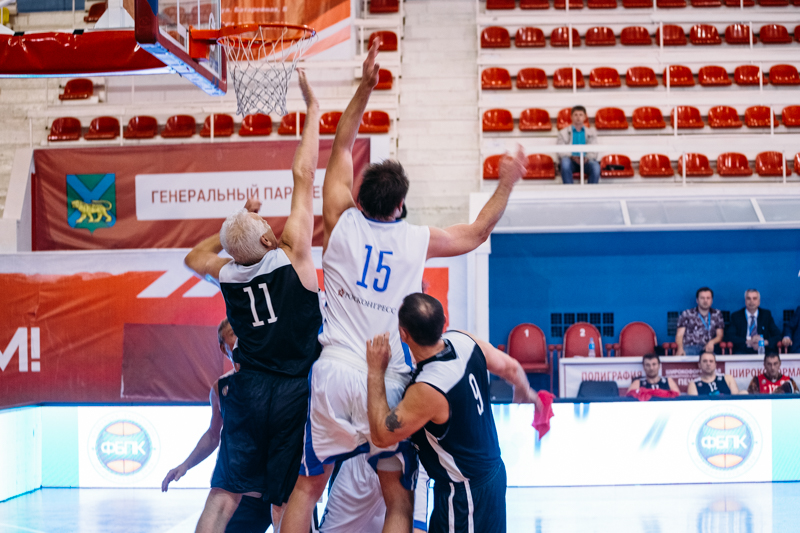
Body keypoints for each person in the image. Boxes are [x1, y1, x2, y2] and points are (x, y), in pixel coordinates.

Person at [280, 41, 527, 533]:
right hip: (388, 377)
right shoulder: (418, 239)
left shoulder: (340, 220)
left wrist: (366, 86)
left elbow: (342, 147)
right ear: (399, 206)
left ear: (361, 198)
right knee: (398, 499)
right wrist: (507, 182)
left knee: (306, 488)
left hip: (334, 371)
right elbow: (478, 233)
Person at [183, 70, 322, 533]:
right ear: (267, 237)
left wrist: (233, 226)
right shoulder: (293, 254)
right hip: (292, 390)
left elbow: (194, 257)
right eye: (264, 226)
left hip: (248, 388)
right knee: (284, 501)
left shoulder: (226, 273)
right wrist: (313, 110)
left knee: (223, 495)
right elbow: (303, 175)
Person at [365, 293, 543, 533]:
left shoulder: (428, 388)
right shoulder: (464, 341)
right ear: (444, 323)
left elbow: (381, 435)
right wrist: (525, 391)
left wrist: (375, 371)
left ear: (403, 334)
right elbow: (510, 367)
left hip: (465, 494)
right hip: (492, 473)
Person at [161, 319, 273, 533]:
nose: (240, 337)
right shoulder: (221, 388)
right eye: (233, 333)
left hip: (281, 486)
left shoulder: (277, 379)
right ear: (223, 347)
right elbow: (213, 434)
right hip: (245, 493)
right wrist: (186, 465)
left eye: (242, 330)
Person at [725, 289, 782, 355]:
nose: (751, 301)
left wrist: (764, 342)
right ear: (745, 301)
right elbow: (729, 336)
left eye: (754, 298)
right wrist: (748, 341)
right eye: (748, 298)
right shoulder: (736, 316)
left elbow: (778, 335)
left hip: (763, 349)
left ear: (759, 301)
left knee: (771, 357)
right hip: (743, 350)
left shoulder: (766, 315)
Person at [556, 105, 600, 184]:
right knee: (565, 163)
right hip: (570, 161)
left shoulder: (591, 133)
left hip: (586, 161)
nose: (578, 117)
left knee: (596, 166)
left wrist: (587, 158)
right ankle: (569, 191)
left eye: (580, 115)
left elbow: (594, 150)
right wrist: (572, 156)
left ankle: (591, 191)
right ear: (571, 117)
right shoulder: (562, 133)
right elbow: (560, 151)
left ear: (585, 117)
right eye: (575, 115)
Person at [675, 287, 725, 356]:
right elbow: (679, 335)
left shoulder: (717, 314)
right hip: (690, 347)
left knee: (713, 358)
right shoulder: (686, 314)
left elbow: (720, 335)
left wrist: (712, 342)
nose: (705, 301)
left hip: (709, 347)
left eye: (708, 298)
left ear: (712, 300)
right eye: (702, 298)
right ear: (697, 300)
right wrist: (680, 348)